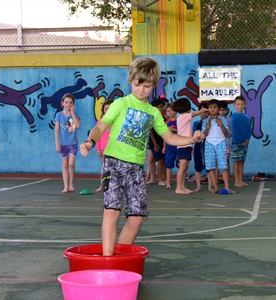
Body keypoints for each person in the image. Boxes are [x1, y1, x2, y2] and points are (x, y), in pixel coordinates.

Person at [80, 57, 204, 256]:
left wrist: (193, 139)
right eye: (138, 84)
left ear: (154, 85)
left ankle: (119, 256)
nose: (141, 89)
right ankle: (108, 259)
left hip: (136, 169)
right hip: (113, 165)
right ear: (131, 80)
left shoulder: (154, 112)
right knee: (111, 211)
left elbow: (170, 138)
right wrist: (90, 141)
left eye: (147, 86)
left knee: (136, 217)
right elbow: (100, 126)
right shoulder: (120, 103)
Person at [173, 98, 208, 194]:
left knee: (185, 167)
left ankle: (183, 186)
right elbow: (193, 114)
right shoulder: (183, 116)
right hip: (183, 145)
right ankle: (178, 188)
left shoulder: (183, 116)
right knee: (182, 167)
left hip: (187, 145)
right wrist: (202, 111)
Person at [202, 99, 235, 194]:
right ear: (208, 109)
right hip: (209, 144)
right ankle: (215, 186)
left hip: (220, 143)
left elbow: (226, 133)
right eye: (210, 107)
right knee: (211, 166)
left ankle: (226, 187)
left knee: (224, 166)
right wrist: (207, 128)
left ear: (218, 109)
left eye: (215, 107)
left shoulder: (223, 119)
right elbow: (204, 135)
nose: (212, 109)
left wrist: (221, 124)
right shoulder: (205, 121)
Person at [55, 93, 81, 193]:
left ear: (73, 104)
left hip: (72, 143)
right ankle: (66, 186)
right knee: (65, 165)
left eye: (70, 103)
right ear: (62, 103)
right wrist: (57, 143)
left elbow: (77, 125)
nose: (68, 104)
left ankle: (71, 184)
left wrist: (73, 113)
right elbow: (57, 130)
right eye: (66, 102)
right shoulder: (59, 115)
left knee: (71, 164)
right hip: (62, 144)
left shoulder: (74, 114)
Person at [230, 95, 252, 187]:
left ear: (245, 105)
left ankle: (241, 180)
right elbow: (235, 131)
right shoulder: (233, 117)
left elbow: (249, 129)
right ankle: (236, 181)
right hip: (236, 142)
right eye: (238, 104)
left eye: (242, 104)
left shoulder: (246, 117)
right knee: (236, 161)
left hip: (245, 143)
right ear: (234, 105)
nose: (240, 106)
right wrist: (243, 139)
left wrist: (247, 139)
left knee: (242, 161)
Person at [95, 99, 114, 192]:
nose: (108, 110)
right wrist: (98, 148)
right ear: (103, 110)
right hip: (103, 149)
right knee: (104, 167)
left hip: (113, 149)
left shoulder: (115, 121)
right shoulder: (100, 121)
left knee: (113, 169)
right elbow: (97, 135)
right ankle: (102, 185)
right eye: (106, 109)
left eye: (110, 108)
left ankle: (112, 186)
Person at [192, 103, 210, 193]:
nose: (204, 113)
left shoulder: (210, 123)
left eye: (206, 111)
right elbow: (192, 136)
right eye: (202, 111)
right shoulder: (196, 123)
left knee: (209, 167)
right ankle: (198, 187)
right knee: (197, 167)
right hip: (198, 146)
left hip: (208, 146)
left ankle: (210, 186)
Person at [162, 101, 178, 189]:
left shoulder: (179, 121)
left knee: (181, 165)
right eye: (168, 111)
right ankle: (168, 182)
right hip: (169, 146)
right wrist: (164, 147)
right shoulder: (166, 123)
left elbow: (183, 133)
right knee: (168, 165)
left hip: (179, 145)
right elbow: (165, 136)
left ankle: (180, 182)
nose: (170, 112)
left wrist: (174, 130)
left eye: (171, 110)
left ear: (176, 111)